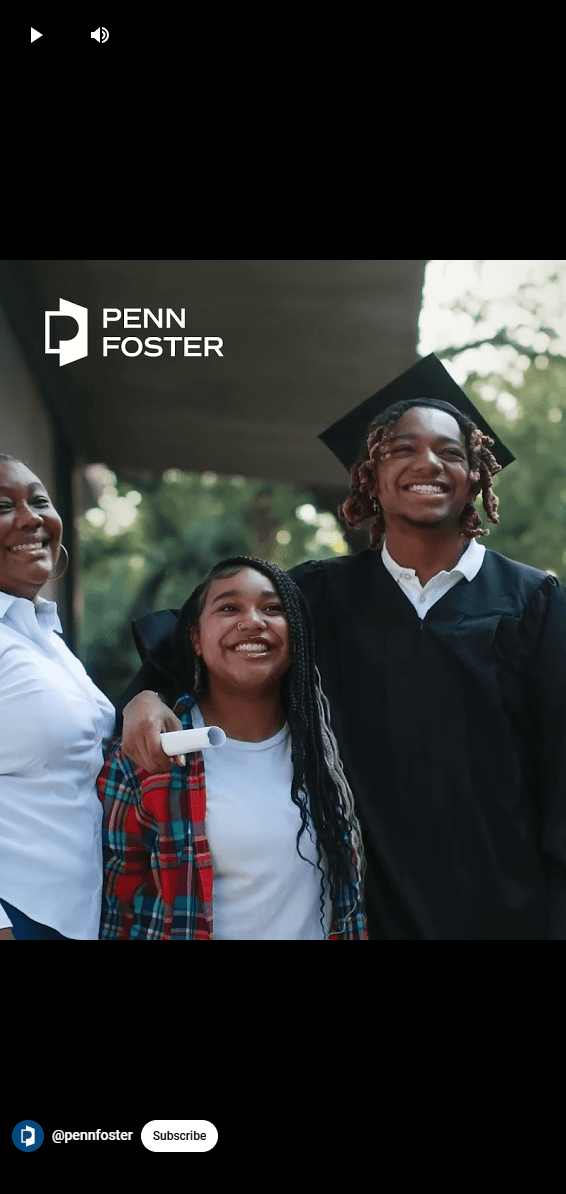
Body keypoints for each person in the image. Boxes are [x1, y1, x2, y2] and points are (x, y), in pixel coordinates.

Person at [115, 354, 566, 940]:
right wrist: (147, 694)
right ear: (369, 477)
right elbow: (207, 632)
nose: (426, 463)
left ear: (476, 474)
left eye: (450, 452)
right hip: (365, 915)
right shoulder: (320, 594)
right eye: (401, 449)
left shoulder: (534, 602)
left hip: (506, 910)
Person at [98, 556, 367, 939]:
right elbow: (115, 911)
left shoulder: (330, 752)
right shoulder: (148, 757)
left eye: (273, 608)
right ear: (195, 638)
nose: (253, 622)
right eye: (229, 607)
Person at [0, 455, 115, 941]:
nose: (31, 518)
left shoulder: (44, 638)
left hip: (78, 918)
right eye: (4, 507)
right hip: (18, 912)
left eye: (40, 501)